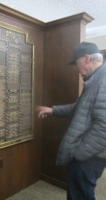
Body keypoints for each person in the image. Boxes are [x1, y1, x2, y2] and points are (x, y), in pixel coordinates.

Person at [36, 42, 106, 200]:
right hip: (90, 154)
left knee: (80, 195)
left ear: (87, 58)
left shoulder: (103, 80)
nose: (77, 68)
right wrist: (53, 110)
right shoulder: (96, 79)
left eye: (77, 63)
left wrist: (80, 153)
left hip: (90, 156)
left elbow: (104, 127)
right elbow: (81, 108)